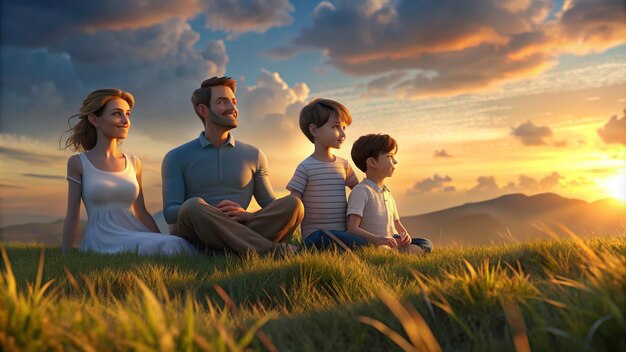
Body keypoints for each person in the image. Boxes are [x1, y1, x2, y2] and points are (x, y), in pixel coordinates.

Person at [162, 76, 304, 254]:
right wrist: (212, 213)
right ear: (203, 110)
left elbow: (270, 205)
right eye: (222, 102)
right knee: (192, 206)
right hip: (200, 233)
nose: (232, 108)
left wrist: (248, 215)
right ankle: (273, 251)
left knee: (293, 204)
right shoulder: (176, 156)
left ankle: (238, 248)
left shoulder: (254, 154)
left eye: (233, 102)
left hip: (242, 226)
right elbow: (170, 212)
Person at [61, 89, 196, 255]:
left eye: (128, 114)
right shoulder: (78, 163)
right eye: (117, 114)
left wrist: (160, 239)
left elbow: (142, 212)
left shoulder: (134, 162)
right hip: (102, 238)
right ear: (94, 119)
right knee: (174, 247)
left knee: (177, 244)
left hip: (134, 233)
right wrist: (65, 255)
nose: (125, 121)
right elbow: (72, 215)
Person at [286, 98, 364, 250]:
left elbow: (360, 192)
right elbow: (292, 205)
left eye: (344, 127)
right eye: (336, 127)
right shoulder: (305, 168)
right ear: (314, 130)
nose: (342, 133)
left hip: (343, 235)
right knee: (322, 237)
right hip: (316, 236)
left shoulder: (344, 165)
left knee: (364, 244)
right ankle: (298, 251)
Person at [347, 134, 433, 253]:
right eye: (390, 156)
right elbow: (352, 228)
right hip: (373, 243)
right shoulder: (361, 191)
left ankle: (396, 252)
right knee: (380, 248)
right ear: (372, 162)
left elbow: (396, 223)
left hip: (392, 241)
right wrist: (378, 239)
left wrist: (404, 234)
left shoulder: (387, 192)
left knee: (426, 243)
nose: (395, 161)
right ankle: (393, 253)